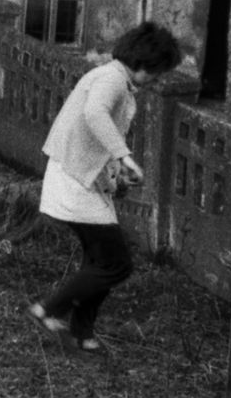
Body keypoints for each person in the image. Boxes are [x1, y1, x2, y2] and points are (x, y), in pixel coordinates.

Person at [26, 20, 185, 354]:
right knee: (116, 264)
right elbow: (94, 114)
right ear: (145, 63)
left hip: (79, 178)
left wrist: (115, 177)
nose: (159, 80)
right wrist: (125, 158)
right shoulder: (112, 79)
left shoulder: (116, 80)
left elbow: (97, 137)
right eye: (158, 71)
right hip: (73, 182)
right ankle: (48, 309)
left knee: (99, 261)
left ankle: (82, 334)